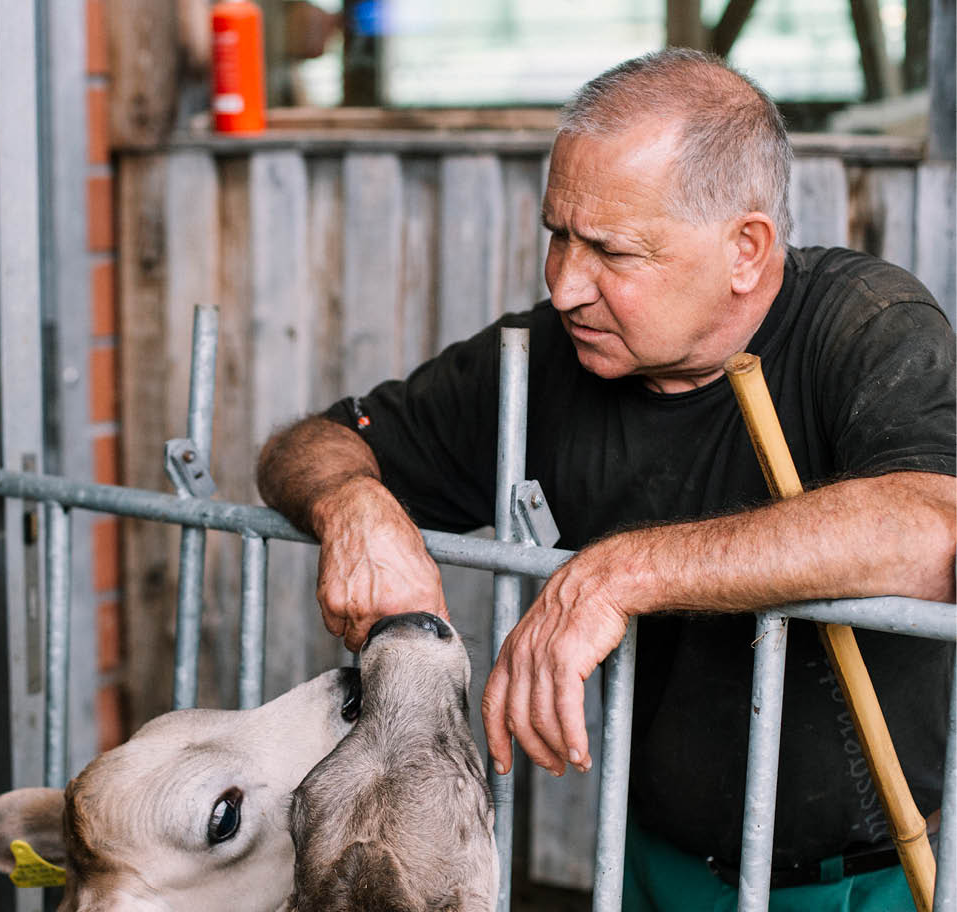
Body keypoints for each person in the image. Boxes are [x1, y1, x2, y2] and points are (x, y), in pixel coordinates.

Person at [256, 48, 956, 910]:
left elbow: (932, 531)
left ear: (745, 249)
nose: (564, 284)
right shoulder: (545, 359)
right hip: (652, 860)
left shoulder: (862, 322)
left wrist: (620, 576)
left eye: (612, 252)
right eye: (557, 233)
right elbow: (312, 444)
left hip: (886, 871)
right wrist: (352, 504)